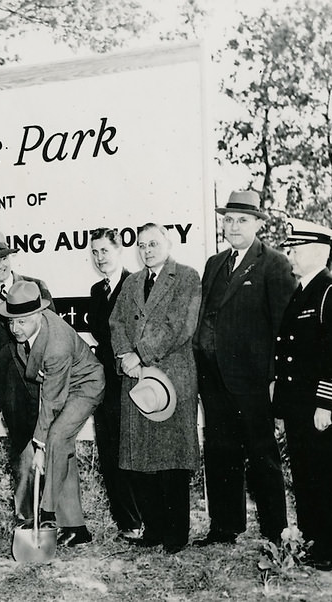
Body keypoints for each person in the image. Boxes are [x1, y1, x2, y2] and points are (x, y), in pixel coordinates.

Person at [193, 190, 296, 546]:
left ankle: (274, 531)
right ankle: (224, 527)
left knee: (262, 455)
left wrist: (274, 378)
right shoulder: (214, 263)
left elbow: (285, 327)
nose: (233, 225)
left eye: (242, 220)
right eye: (228, 219)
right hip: (214, 379)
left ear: (257, 224)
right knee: (221, 453)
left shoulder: (274, 264)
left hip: (254, 382)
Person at [110, 223, 201, 553]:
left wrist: (140, 355)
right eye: (142, 245)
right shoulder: (132, 282)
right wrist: (123, 354)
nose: (147, 250)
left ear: (169, 242)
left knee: (172, 460)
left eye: (154, 243)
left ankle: (176, 533)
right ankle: (154, 529)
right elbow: (116, 322)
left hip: (172, 377)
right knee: (143, 460)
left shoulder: (187, 277)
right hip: (136, 380)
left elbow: (180, 326)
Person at [273, 218, 332, 571]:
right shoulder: (302, 291)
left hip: (320, 407)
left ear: (316, 250)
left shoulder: (331, 292)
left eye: (295, 248)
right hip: (298, 406)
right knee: (305, 476)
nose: (289, 254)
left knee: (326, 476)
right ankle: (311, 540)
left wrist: (326, 403)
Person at [0, 280, 104, 546]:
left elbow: (52, 401)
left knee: (55, 438)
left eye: (21, 322)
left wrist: (39, 447)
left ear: (37, 315)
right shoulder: (33, 327)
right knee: (62, 450)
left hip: (85, 385)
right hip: (62, 386)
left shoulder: (56, 344)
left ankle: (47, 514)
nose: (15, 329)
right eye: (11, 322)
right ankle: (76, 528)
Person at [0, 231, 53, 522]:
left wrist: (44, 369)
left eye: (2, 258)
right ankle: (26, 516)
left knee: (46, 444)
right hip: (8, 389)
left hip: (40, 382)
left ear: (10, 258)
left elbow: (50, 329)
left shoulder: (34, 287)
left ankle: (50, 513)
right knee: (21, 447)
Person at [87, 227, 141, 539]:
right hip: (105, 380)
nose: (99, 258)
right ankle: (127, 523)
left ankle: (144, 518)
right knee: (109, 450)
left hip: (133, 378)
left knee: (133, 449)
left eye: (104, 251)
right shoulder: (97, 291)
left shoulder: (135, 284)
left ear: (119, 250)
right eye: (94, 253)